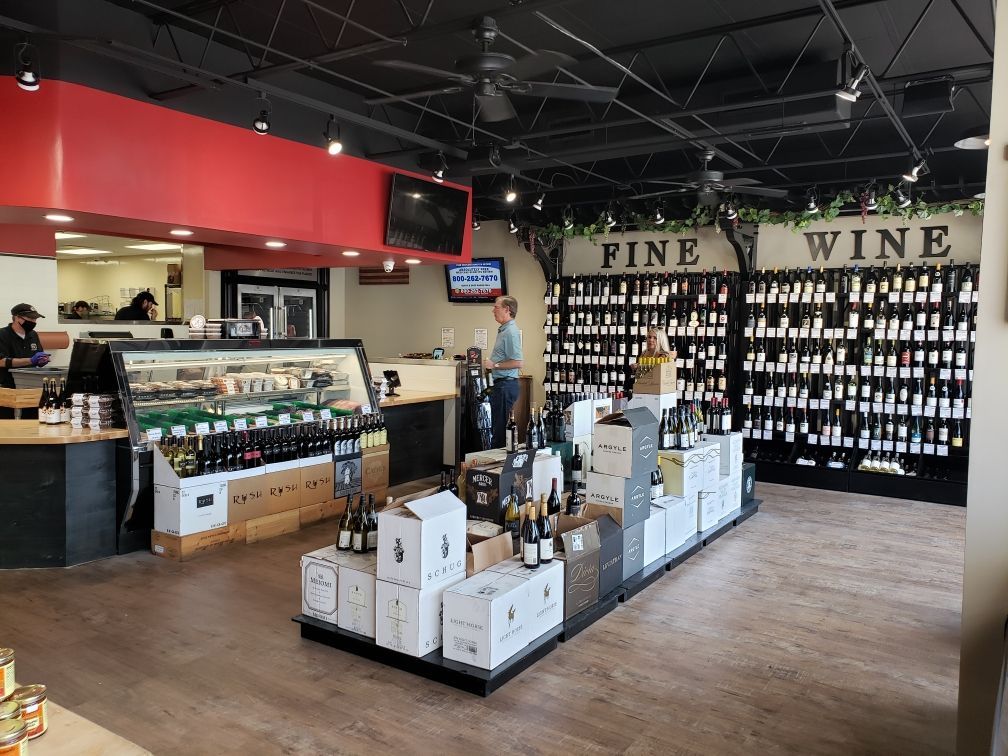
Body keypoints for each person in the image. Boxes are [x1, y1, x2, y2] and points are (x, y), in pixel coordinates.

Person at [483, 295, 523, 449]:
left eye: (496, 307)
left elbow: (518, 362)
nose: (493, 310)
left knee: (499, 433)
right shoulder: (503, 330)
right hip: (501, 386)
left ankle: (498, 463)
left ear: (507, 309)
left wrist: (494, 365)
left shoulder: (510, 332)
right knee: (497, 429)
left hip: (505, 386)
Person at [0, 303, 50, 419]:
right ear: (17, 318)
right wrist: (31, 360)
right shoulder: (2, 335)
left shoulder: (33, 335)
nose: (34, 322)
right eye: (30, 318)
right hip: (7, 386)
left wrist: (42, 360)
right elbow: (1, 361)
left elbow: (38, 354)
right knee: (6, 421)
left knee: (31, 419)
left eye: (35, 319)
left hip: (30, 385)